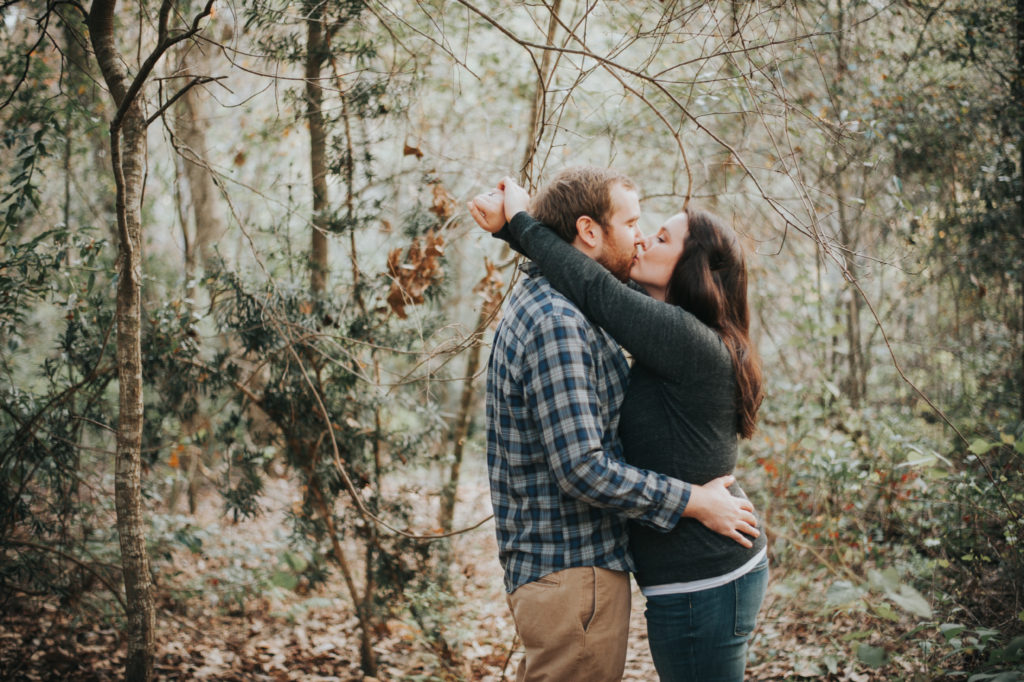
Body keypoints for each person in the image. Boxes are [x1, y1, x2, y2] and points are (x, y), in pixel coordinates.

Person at [469, 175, 769, 682]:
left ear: (690, 267)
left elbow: (593, 283)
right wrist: (515, 228)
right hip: (627, 572)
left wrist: (519, 225)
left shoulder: (680, 334)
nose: (641, 239)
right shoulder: (582, 316)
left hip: (703, 573)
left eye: (659, 237)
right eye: (634, 224)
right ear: (589, 231)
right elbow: (586, 278)